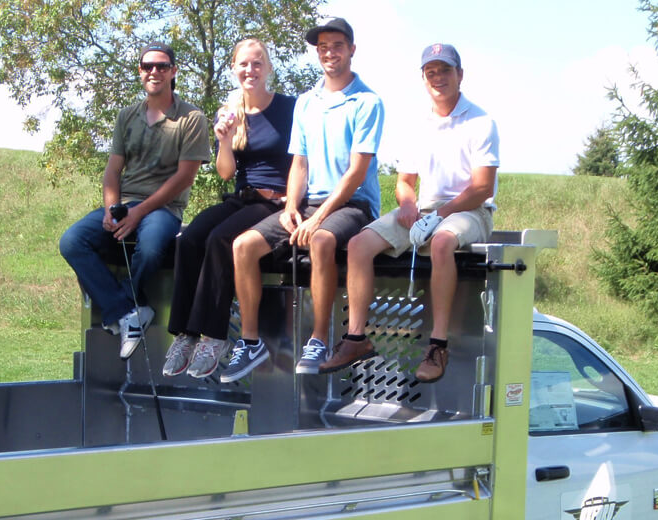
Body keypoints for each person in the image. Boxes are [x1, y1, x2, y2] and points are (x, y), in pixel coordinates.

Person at [319, 43, 499, 384]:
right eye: (431, 72)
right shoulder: (419, 124)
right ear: (423, 78)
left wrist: (440, 214)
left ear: (460, 75)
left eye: (445, 70)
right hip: (425, 210)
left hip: (470, 211)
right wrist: (407, 205)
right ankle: (356, 338)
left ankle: (438, 345)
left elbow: (483, 188)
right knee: (359, 245)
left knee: (444, 241)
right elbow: (404, 182)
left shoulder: (481, 122)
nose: (438, 78)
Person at [219, 18, 384, 383]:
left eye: (337, 45)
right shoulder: (307, 103)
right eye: (323, 46)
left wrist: (317, 217)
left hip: (353, 204)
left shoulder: (368, 102)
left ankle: (318, 340)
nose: (329, 52)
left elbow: (357, 172)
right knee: (244, 246)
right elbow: (300, 163)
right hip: (308, 204)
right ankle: (250, 342)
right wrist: (292, 207)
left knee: (322, 240)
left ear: (351, 50)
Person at [58, 43, 212, 360]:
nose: (154, 72)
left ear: (173, 71)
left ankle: (124, 307)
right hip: (126, 202)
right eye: (147, 66)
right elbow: (113, 170)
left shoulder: (192, 118)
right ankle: (129, 311)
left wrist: (140, 211)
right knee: (72, 241)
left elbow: (184, 177)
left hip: (163, 208)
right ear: (140, 71)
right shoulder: (126, 116)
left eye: (162, 66)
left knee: (153, 246)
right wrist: (111, 209)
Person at [162, 39, 296, 380]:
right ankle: (186, 333)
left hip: (275, 200)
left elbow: (301, 163)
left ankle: (214, 336)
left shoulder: (290, 108)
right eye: (243, 64)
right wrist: (224, 140)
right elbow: (225, 172)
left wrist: (293, 203)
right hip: (244, 196)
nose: (250, 70)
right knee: (190, 237)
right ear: (233, 68)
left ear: (267, 67)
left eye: (257, 63)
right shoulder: (230, 111)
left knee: (221, 239)